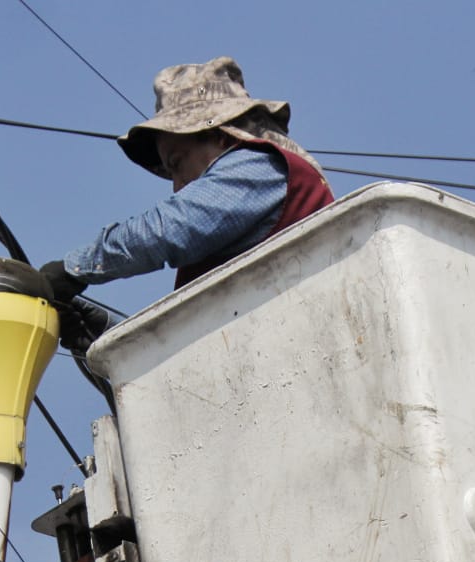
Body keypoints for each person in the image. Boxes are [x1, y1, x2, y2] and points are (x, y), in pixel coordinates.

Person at [41, 56, 334, 352]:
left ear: (220, 136)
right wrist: (108, 338)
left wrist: (72, 269)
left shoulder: (261, 167)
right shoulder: (237, 227)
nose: (178, 185)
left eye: (177, 164)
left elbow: (171, 228)